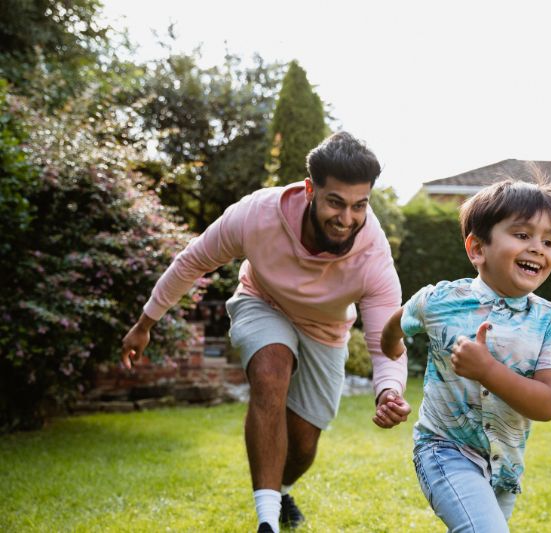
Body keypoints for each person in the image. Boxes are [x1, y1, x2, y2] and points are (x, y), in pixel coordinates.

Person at [121, 132, 412, 533]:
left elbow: (386, 338)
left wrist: (389, 389)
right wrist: (144, 323)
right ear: (311, 189)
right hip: (263, 301)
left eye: (359, 206)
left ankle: (282, 489)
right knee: (269, 372)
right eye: (335, 202)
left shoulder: (373, 254)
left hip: (326, 329)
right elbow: (192, 262)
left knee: (304, 443)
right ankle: (266, 522)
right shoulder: (256, 215)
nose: (347, 219)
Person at [379, 178, 551, 532]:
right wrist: (392, 348)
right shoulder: (440, 301)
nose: (538, 248)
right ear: (477, 249)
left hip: (505, 467)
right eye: (522, 235)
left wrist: (486, 369)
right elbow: (397, 321)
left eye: (548, 241)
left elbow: (549, 404)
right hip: (443, 449)